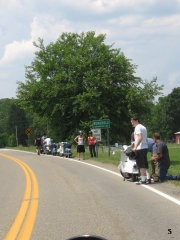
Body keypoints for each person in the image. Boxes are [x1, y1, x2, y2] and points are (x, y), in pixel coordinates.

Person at [131, 117, 151, 184]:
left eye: (132, 122)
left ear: (136, 121)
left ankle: (143, 180)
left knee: (141, 164)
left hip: (140, 148)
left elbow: (140, 137)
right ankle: (148, 178)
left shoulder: (137, 127)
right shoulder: (143, 127)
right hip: (145, 147)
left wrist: (135, 147)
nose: (132, 123)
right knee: (145, 163)